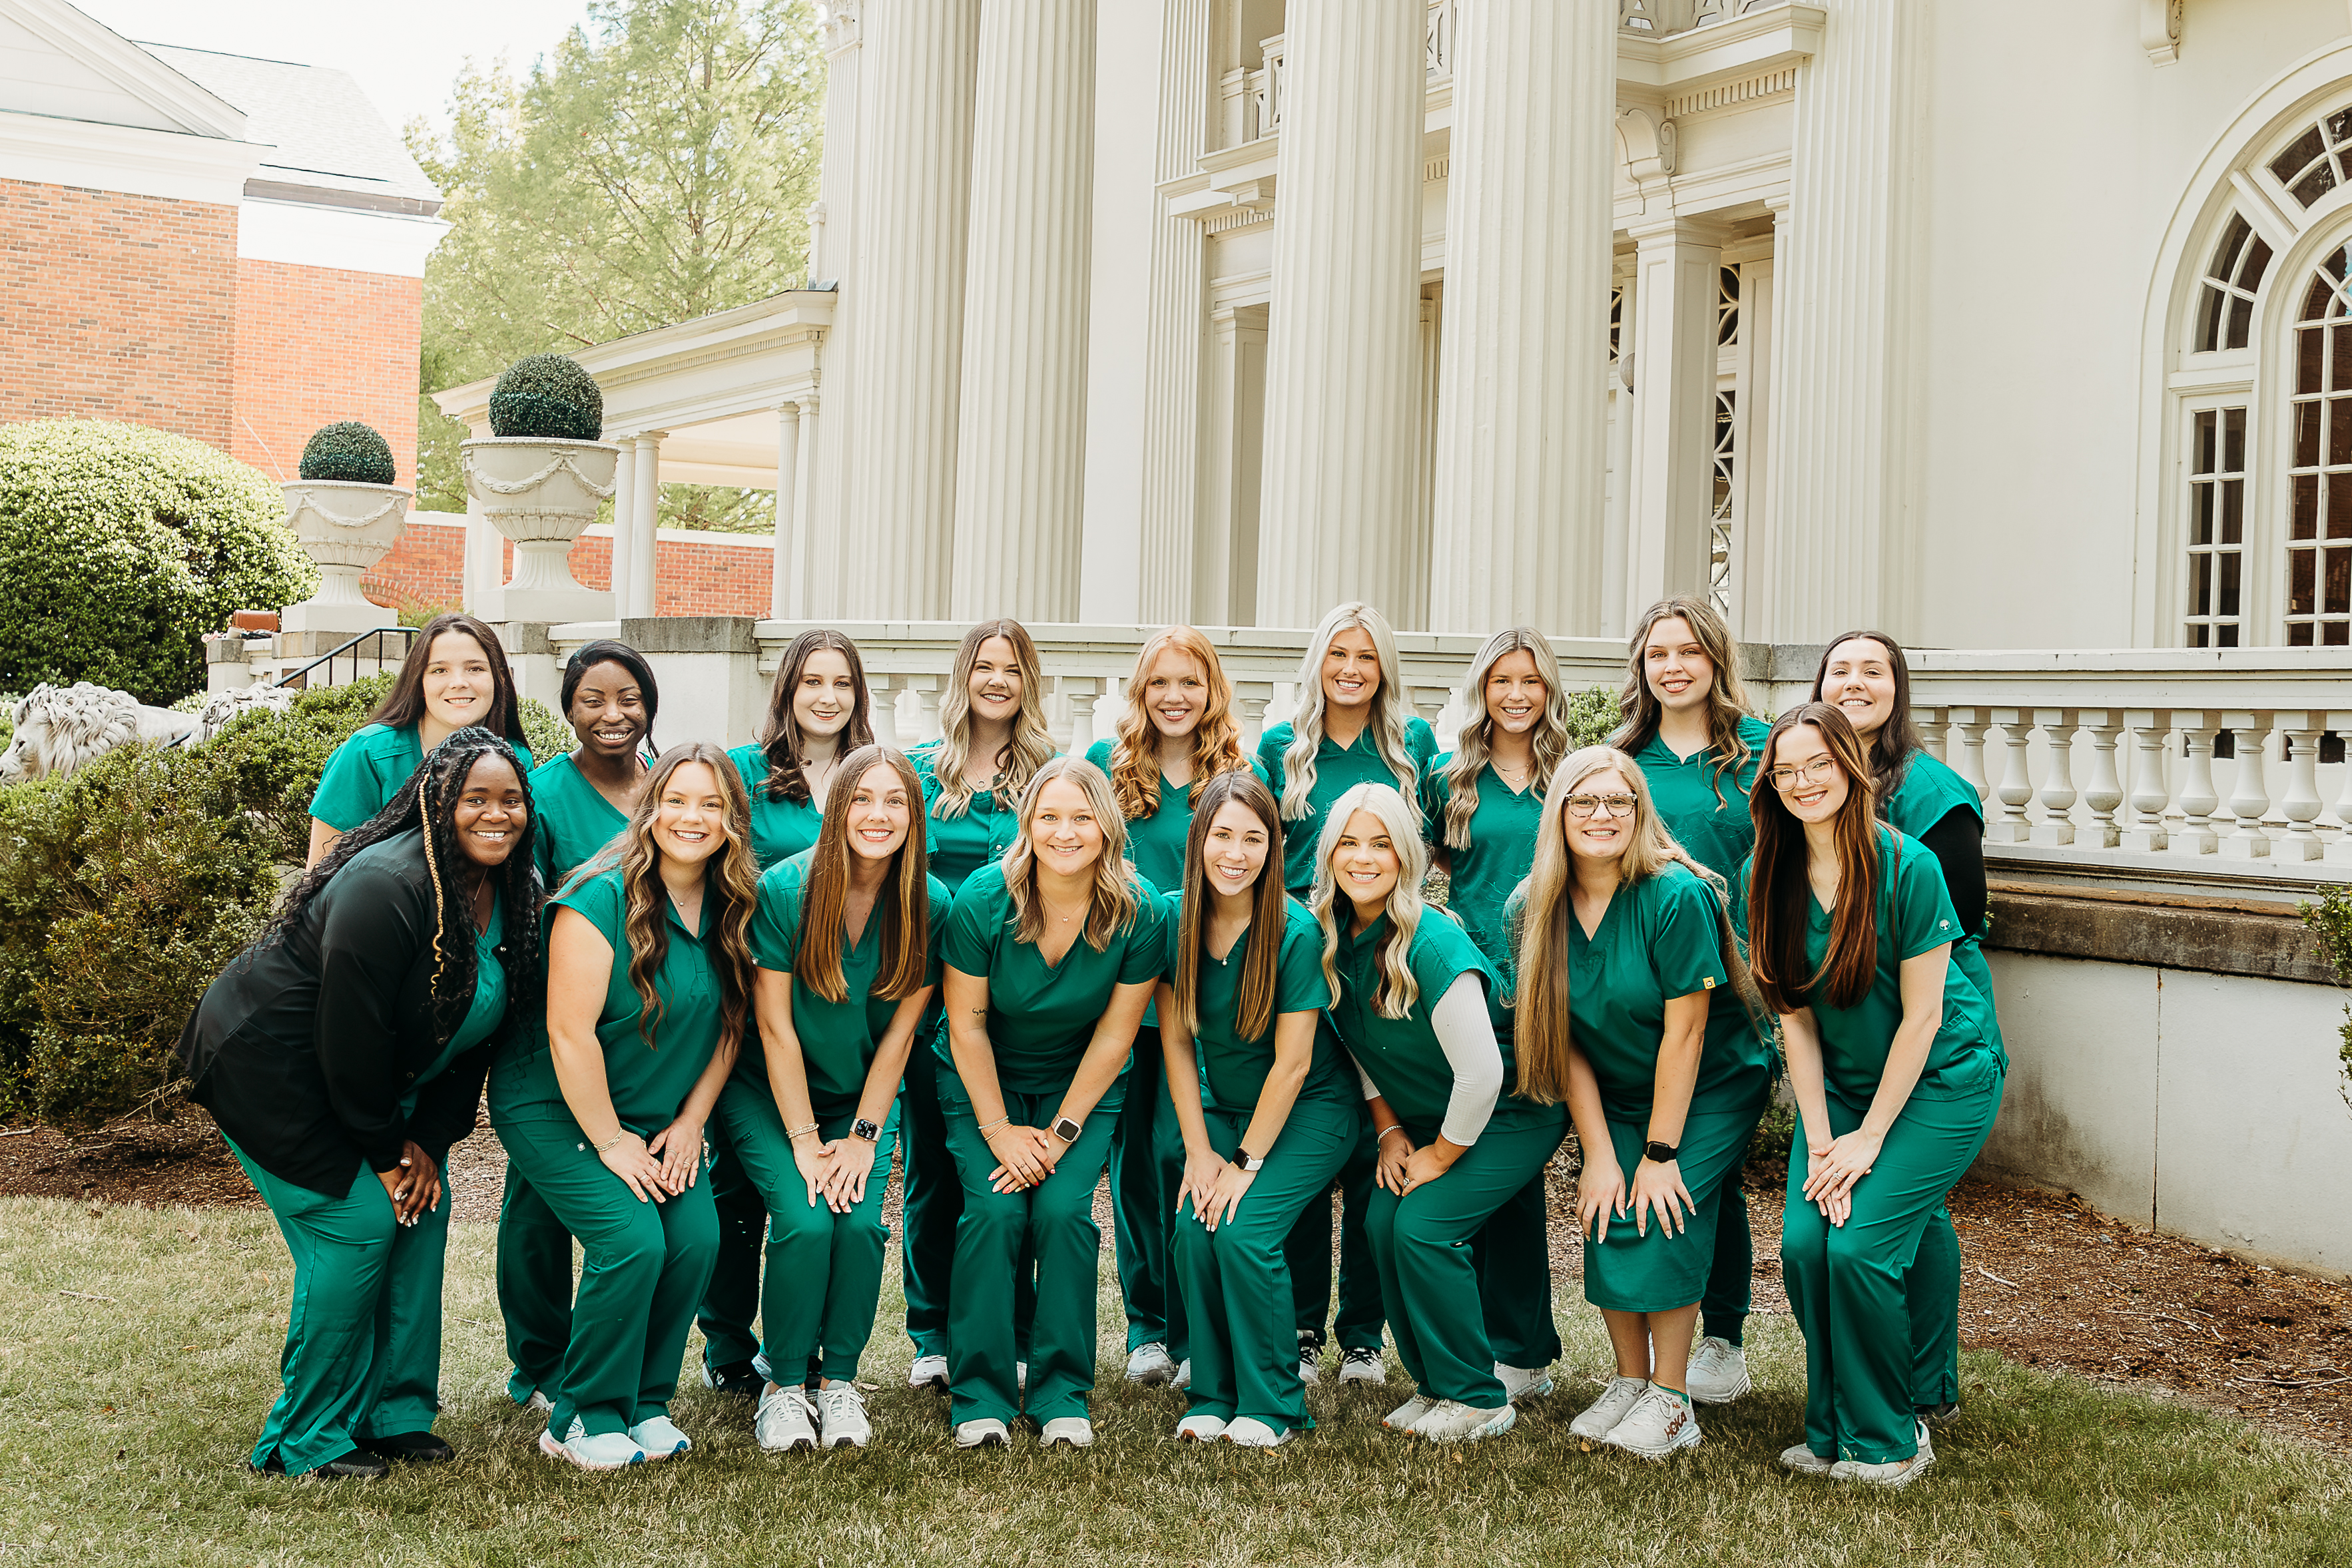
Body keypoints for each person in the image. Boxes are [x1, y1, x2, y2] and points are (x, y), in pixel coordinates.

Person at [178, 728, 539, 1478]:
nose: (495, 814)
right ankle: (303, 1441)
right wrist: (382, 1151)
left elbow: (474, 1036)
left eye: (511, 799)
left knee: (421, 1207)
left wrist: (430, 1144)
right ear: (436, 802)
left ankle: (393, 1414)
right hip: (269, 1066)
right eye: (475, 798)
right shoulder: (385, 885)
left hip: (371, 1082)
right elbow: (350, 1041)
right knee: (357, 1223)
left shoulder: (512, 893)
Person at [1744, 704, 2005, 1487]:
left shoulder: (1907, 866)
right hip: (1845, 1092)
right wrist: (1824, 1141)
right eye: (1785, 770)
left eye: (1817, 764)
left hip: (1942, 1080)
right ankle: (1836, 1425)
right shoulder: (1769, 875)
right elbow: (1795, 1025)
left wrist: (1869, 1142)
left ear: (1850, 771)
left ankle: (1891, 1435)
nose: (1802, 782)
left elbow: (1923, 1016)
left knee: (1859, 1247)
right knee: (1802, 1244)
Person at [487, 742, 759, 1470]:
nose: (691, 818)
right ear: (649, 807)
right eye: (676, 800)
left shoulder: (737, 904)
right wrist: (612, 1143)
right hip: (556, 1105)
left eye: (711, 804)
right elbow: (567, 1033)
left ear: (734, 819)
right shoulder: (599, 896)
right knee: (632, 1241)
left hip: (658, 1113)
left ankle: (643, 1404)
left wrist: (692, 1122)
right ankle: (578, 1417)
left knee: (696, 1237)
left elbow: (733, 1028)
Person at [1506, 748, 1773, 1459]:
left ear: (1639, 812)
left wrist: (1658, 1153)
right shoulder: (1531, 905)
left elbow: (1686, 1034)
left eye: (1618, 802)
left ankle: (1673, 1398)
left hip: (1713, 1082)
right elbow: (1560, 1038)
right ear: (1557, 812)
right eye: (1584, 802)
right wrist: (1598, 1151)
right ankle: (1630, 1382)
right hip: (1617, 1083)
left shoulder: (1676, 896)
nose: (1601, 815)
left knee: (1662, 1207)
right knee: (1607, 1205)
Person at [1313, 782, 1567, 1443]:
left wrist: (1440, 1155)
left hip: (1511, 1110)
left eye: (1380, 844)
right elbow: (1359, 1044)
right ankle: (1436, 1383)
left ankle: (1477, 1397)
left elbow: (1483, 1072)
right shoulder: (1330, 936)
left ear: (1406, 856)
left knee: (1423, 1227)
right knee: (1381, 1222)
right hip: (1427, 1114)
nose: (1363, 858)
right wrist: (1390, 1129)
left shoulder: (1428, 940)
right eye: (1349, 842)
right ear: (1327, 853)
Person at [721, 744, 952, 1451]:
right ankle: (785, 1386)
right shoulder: (786, 890)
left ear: (914, 816)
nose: (877, 815)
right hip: (767, 1092)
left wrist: (860, 1136)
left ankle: (839, 1381)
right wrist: (802, 1142)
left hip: (857, 1099)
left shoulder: (928, 903)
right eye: (862, 799)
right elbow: (774, 1026)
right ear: (837, 807)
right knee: (805, 1218)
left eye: (895, 802)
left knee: (856, 1224)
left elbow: (901, 1036)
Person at [936, 755, 1167, 1449]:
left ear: (1106, 825)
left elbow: (1116, 1034)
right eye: (1049, 817)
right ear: (1027, 824)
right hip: (984, 1083)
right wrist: (1001, 1129)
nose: (1065, 832)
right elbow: (967, 1024)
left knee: (1064, 1212)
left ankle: (1061, 1389)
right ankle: (979, 1394)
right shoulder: (984, 898)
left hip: (1082, 1088)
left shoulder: (1139, 908)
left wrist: (1059, 1135)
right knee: (996, 1210)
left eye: (1080, 817)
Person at [1811, 630, 2001, 1425]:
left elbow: (1954, 930)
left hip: (1928, 1026)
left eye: (1873, 671)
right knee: (1904, 1213)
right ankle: (1907, 1388)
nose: (1854, 683)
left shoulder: (1931, 796)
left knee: (1907, 1209)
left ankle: (1922, 1389)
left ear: (1899, 691)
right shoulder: (1799, 774)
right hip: (1847, 1032)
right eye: (1839, 670)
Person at [1258, 603, 1437, 1388]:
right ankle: (1299, 1324)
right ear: (1317, 664)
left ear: (1384, 667)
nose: (1352, 669)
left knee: (1374, 1145)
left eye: (1367, 656)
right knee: (1303, 1139)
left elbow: (1428, 853)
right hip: (1303, 960)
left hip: (1383, 958)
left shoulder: (1413, 744)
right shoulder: (1280, 748)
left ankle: (1362, 1336)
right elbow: (1259, 854)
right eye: (1338, 654)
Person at [699, 630, 881, 1399]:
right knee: (739, 1188)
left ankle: (804, 1349)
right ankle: (730, 1345)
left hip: (840, 1011)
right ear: (787, 691)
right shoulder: (745, 774)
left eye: (842, 682)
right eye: (812, 681)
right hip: (752, 995)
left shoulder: (874, 780)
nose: (827, 696)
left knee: (817, 1206)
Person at [1086, 625, 1265, 1389]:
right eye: (1159, 682)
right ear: (1139, 691)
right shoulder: (1107, 768)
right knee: (1137, 1170)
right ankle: (1148, 1328)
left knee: (1192, 1156)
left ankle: (1196, 1328)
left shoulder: (1237, 773)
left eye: (1189, 682)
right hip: (1129, 999)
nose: (1174, 697)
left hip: (1207, 1005)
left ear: (1212, 691)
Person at [1158, 770, 1355, 1447]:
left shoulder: (1294, 930)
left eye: (1253, 838)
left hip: (1308, 1109)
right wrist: (1201, 1152)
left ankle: (1274, 1403)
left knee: (1242, 1230)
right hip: (1224, 1111)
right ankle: (1214, 1391)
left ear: (1273, 848)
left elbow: (1295, 1063)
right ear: (1199, 840)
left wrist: (1244, 1163)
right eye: (1222, 836)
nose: (1235, 853)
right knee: (1192, 1227)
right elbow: (1178, 1046)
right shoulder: (1172, 917)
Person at [1609, 596, 1773, 1404]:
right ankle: (1644, 1348)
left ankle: (1722, 1338)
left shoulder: (1759, 757)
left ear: (1715, 662)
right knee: (1650, 1153)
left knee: (1714, 1171)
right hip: (1642, 994)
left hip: (1737, 991)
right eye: (1657, 654)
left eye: (1689, 652)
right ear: (1641, 667)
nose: (1672, 667)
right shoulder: (1619, 762)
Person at [901, 619, 1059, 1392]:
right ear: (962, 677)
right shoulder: (922, 777)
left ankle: (1021, 1332)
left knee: (1022, 1178)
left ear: (1029, 682)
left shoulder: (1051, 777)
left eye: (1013, 668)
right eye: (984, 667)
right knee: (934, 1171)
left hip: (1030, 1005)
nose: (997, 680)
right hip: (933, 999)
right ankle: (932, 1331)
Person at [500, 640, 658, 1412]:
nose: (612, 714)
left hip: (645, 1027)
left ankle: (627, 1357)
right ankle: (538, 1362)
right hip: (551, 1016)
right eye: (593, 699)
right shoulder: (540, 793)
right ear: (568, 709)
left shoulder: (669, 791)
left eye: (628, 697)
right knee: (540, 1196)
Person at [1421, 626, 1576, 1404]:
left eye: (1531, 681)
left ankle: (1521, 1348)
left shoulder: (1568, 778)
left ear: (1549, 691)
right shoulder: (1448, 780)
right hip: (1469, 994)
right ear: (1481, 690)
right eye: (1501, 680)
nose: (1516, 694)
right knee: (1470, 1162)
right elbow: (1422, 878)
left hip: (1549, 993)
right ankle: (1474, 1338)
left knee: (1510, 1177)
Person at [308, 612, 534, 865]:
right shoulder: (370, 752)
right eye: (439, 670)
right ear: (419, 681)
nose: (458, 682)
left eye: (475, 669)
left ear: (499, 678)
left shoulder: (515, 757)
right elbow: (322, 868)